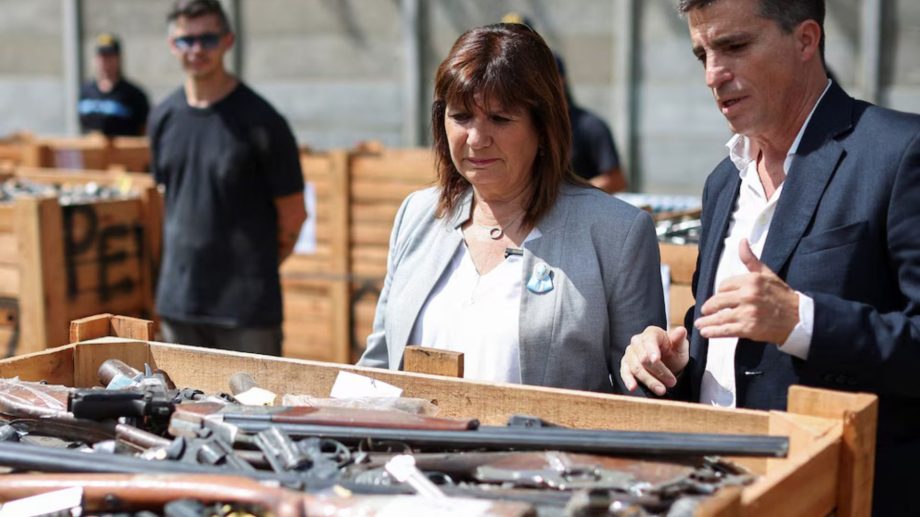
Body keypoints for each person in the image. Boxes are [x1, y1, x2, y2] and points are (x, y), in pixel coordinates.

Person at [618, 0, 920, 514]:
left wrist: (802, 320)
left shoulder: (899, 152)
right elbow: (724, 339)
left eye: (734, 46)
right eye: (702, 55)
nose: (713, 75)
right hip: (716, 495)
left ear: (806, 40)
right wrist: (673, 360)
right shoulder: (723, 182)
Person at [358, 23, 665, 393]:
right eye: (461, 116)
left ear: (543, 127)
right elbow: (377, 369)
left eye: (500, 119)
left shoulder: (617, 232)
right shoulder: (417, 214)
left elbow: (644, 392)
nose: (476, 138)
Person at [147, 0, 307, 356]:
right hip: (179, 306)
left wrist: (251, 272)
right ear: (173, 45)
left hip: (246, 314)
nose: (197, 50)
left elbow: (294, 215)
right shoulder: (163, 117)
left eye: (208, 39)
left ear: (228, 41)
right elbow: (165, 201)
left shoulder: (263, 122)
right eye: (186, 40)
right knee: (176, 395)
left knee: (253, 395)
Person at [556, 54, 628, 193]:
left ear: (561, 80)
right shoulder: (531, 128)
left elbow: (615, 180)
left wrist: (572, 196)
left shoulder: (591, 126)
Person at [78, 33, 150, 137]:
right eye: (101, 56)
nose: (104, 61)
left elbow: (144, 130)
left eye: (109, 56)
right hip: (91, 146)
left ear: (118, 59)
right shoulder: (85, 91)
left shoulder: (133, 94)